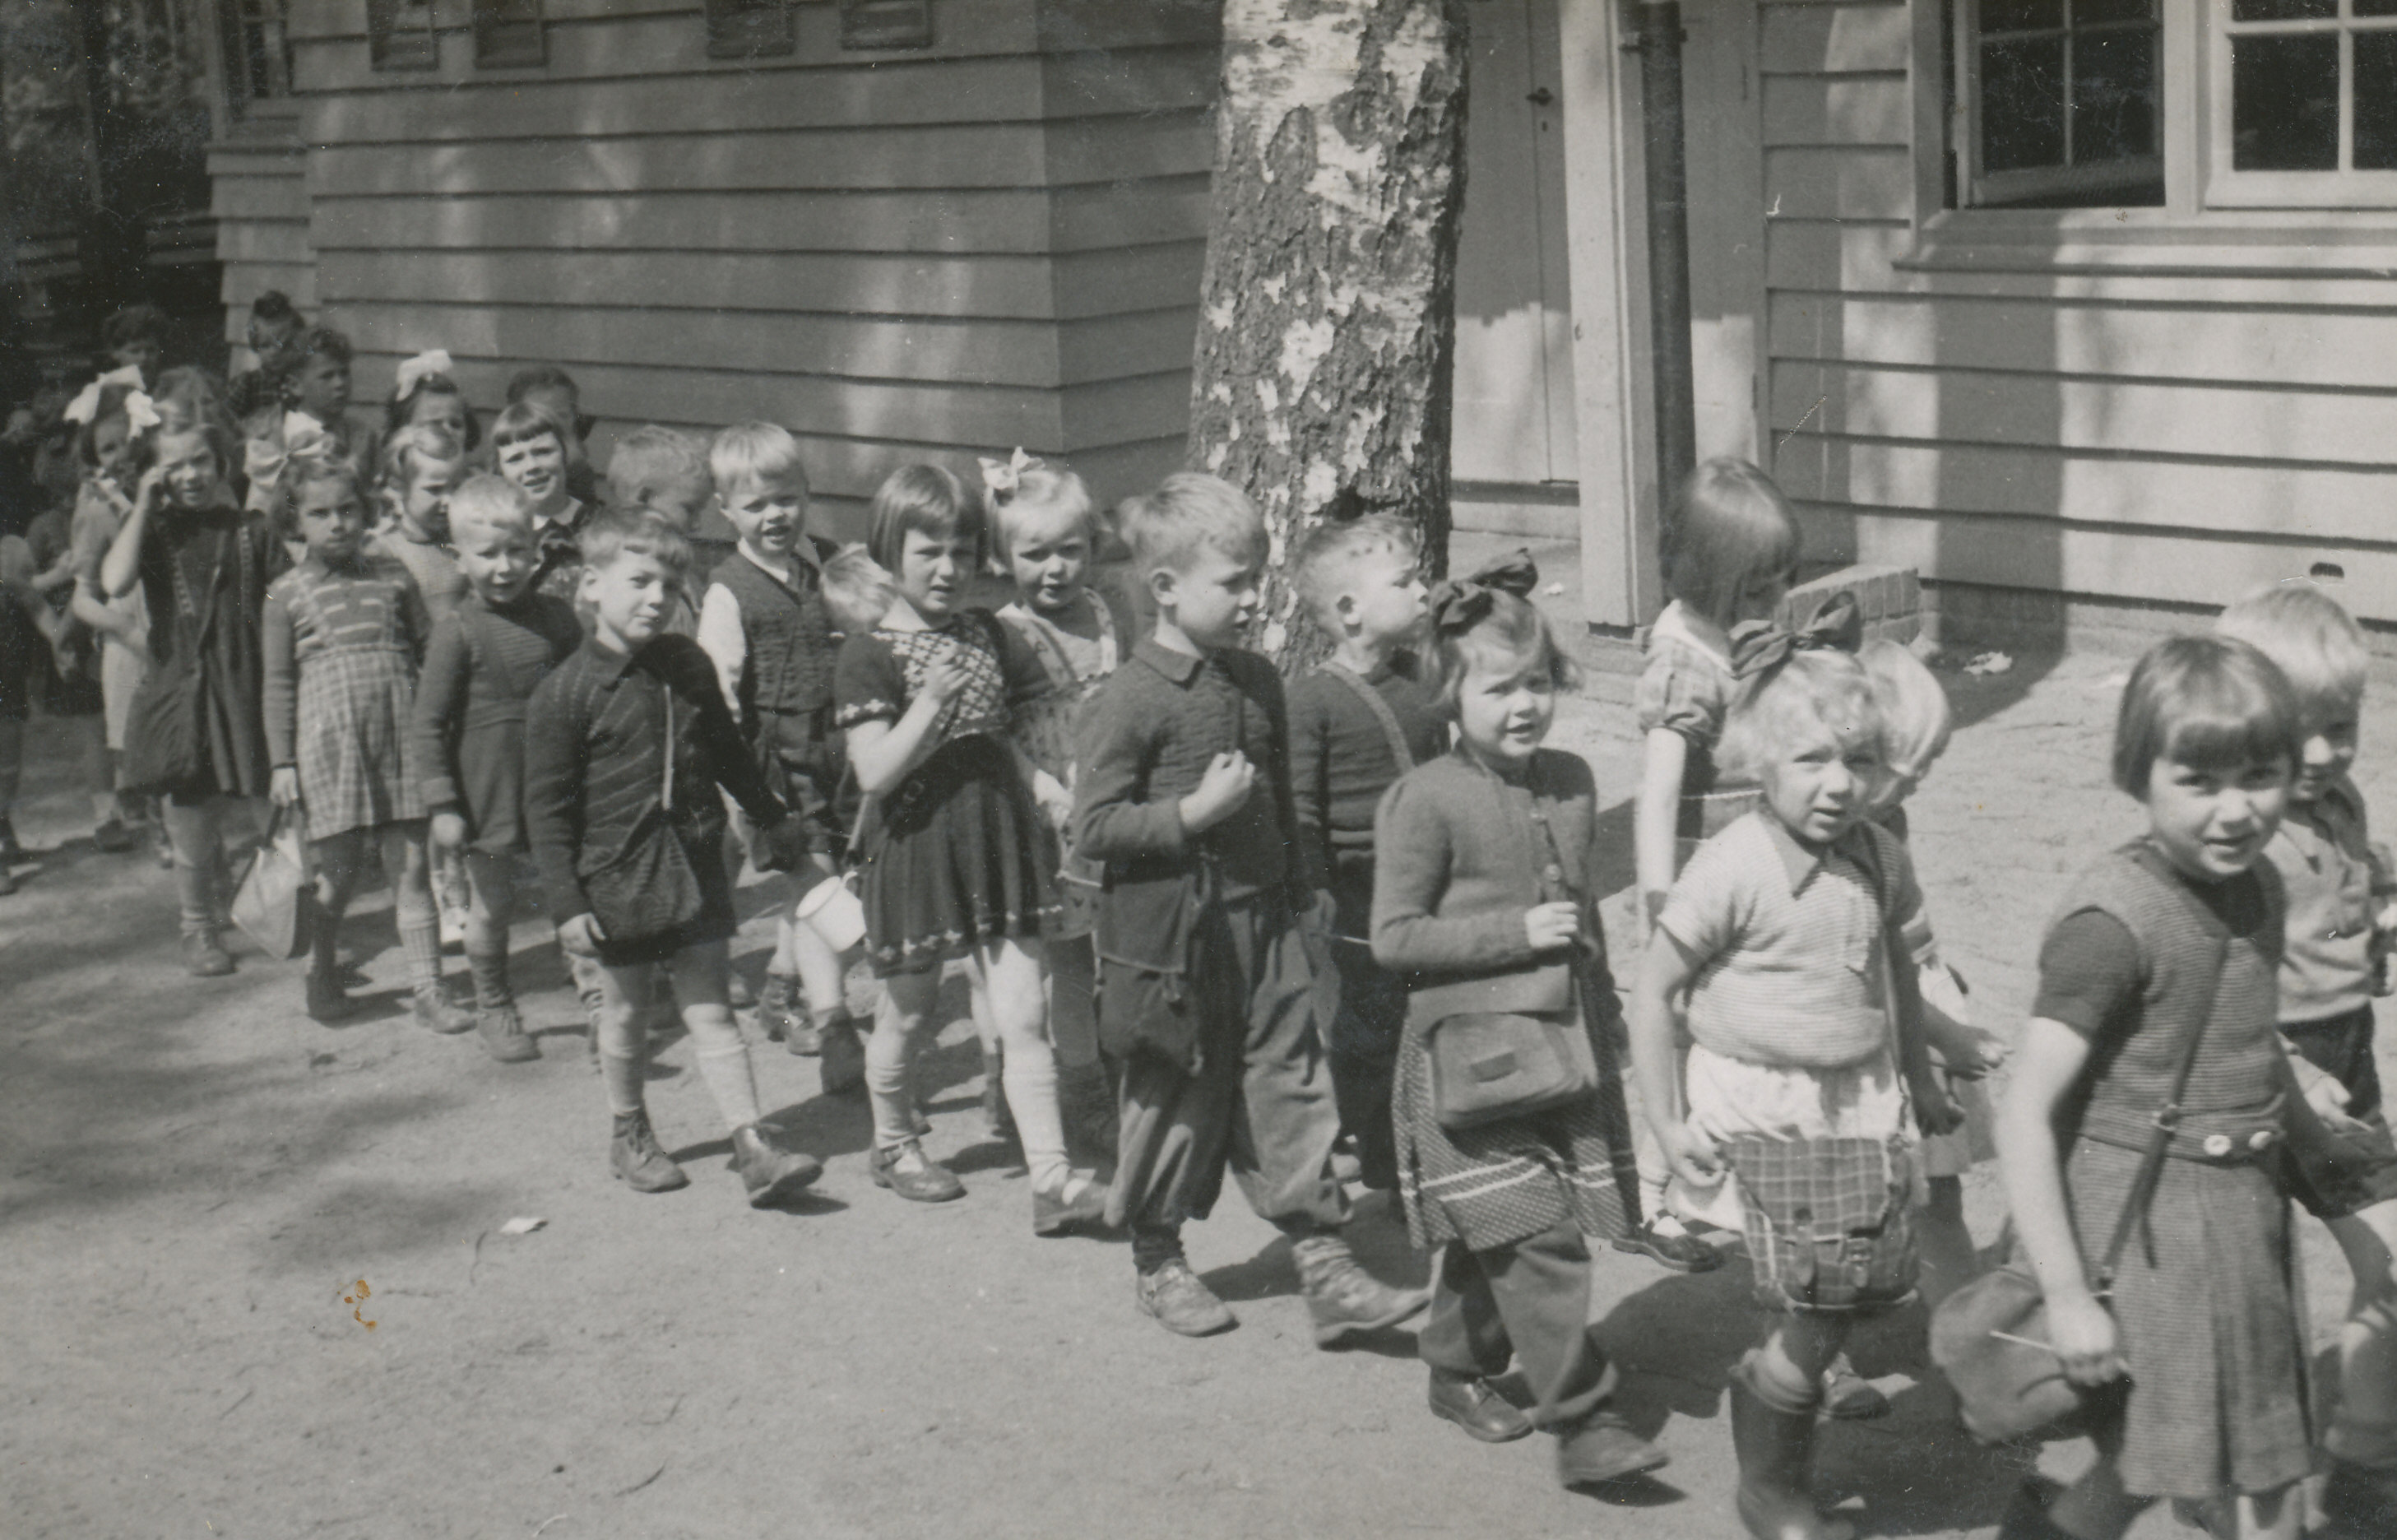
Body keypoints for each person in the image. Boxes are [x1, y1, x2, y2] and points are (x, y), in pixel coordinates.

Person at [1075, 471, 1426, 1340]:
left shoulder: (1258, 679)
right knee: (1174, 1096)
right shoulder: (1127, 699)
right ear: (1165, 589)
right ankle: (1157, 1261)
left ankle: (1324, 1265)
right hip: (1170, 942)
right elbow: (1094, 827)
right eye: (1231, 582)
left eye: (1254, 579)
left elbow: (1280, 798)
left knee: (1290, 1081)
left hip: (1263, 924)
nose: (1249, 598)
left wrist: (1300, 897)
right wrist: (1188, 816)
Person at [1629, 610, 1951, 1540]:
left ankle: (1770, 1413)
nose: (1837, 785)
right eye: (1811, 761)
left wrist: (1921, 1074)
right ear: (1759, 765)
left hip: (1857, 1096)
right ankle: (1770, 1485)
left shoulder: (1879, 857)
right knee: (1813, 1303)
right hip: (1760, 1101)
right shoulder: (1733, 867)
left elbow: (1892, 961)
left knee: (1834, 1294)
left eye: (1856, 761)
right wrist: (1667, 1117)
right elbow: (1653, 994)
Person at [1996, 635, 2313, 1540]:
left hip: (2243, 1223)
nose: (2235, 810)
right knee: (2164, 1458)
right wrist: (2062, 1293)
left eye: (2260, 776)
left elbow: (2240, 1038)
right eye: (2199, 782)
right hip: (2147, 1239)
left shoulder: (2261, 889)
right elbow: (2024, 1110)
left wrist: (2313, 1128)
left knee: (2211, 1458)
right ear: (2139, 775)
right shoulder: (2110, 926)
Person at [1370, 554, 1667, 1485]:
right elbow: (1393, 938)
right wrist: (1510, 933)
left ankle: (1455, 1364)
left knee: (1502, 1228)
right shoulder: (1423, 800)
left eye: (1537, 682)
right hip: (1464, 1061)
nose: (1523, 705)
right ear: (1449, 697)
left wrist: (1607, 1011)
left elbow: (1578, 922)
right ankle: (1583, 1424)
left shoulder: (1573, 781)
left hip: (1562, 1045)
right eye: (1499, 688)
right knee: (1537, 1239)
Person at [833, 463, 1106, 1234]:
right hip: (918, 845)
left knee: (1023, 1013)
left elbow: (997, 738)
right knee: (910, 1011)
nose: (949, 570)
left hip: (997, 839)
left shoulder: (987, 633)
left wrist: (1045, 789)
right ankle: (892, 1141)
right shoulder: (868, 653)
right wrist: (927, 703)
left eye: (961, 551)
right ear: (890, 552)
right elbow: (876, 771)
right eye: (929, 554)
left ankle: (1051, 1179)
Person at [523, 509, 824, 1207]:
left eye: (669, 583)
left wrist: (772, 815)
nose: (657, 597)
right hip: (616, 875)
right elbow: (547, 812)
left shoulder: (686, 665)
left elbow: (727, 751)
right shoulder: (564, 694)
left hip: (692, 861)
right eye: (639, 581)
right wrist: (567, 903)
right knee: (626, 1012)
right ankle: (629, 1132)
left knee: (711, 1005)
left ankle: (752, 1143)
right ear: (592, 584)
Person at [2214, 584, 2397, 1537]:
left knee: (2390, 1264)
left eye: (2344, 724)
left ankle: (2365, 1454)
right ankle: (2225, 1484)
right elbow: (2214, 981)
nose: (2325, 754)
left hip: (2345, 1072)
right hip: (2267, 1085)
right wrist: (2291, 1066)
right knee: (2252, 1310)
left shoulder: (2338, 804)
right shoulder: (2239, 844)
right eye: (2302, 734)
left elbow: (2365, 882)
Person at [1625, 457, 1804, 1277]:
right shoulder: (1684, 662)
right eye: (1760, 589)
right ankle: (1658, 1194)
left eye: (1781, 585)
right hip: (1700, 879)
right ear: (1713, 582)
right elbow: (1657, 795)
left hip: (1754, 863)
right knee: (1688, 1028)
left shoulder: (1735, 633)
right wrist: (1662, 903)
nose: (1775, 604)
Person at [262, 456, 469, 1032]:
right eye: (320, 513)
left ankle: (431, 989)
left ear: (366, 512)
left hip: (400, 737)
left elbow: (428, 654)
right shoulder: (284, 595)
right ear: (295, 520)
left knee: (411, 867)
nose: (337, 523)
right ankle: (321, 969)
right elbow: (278, 684)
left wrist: (441, 725)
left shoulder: (394, 576)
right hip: (331, 749)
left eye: (348, 510)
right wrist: (282, 761)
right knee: (341, 873)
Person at [694, 423, 866, 1088]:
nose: (774, 516)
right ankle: (836, 1030)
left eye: (786, 499)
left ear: (807, 493)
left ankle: (780, 994)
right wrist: (743, 795)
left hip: (843, 755)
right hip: (779, 770)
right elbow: (719, 703)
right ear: (726, 510)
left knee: (832, 891)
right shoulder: (729, 591)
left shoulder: (827, 563)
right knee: (824, 898)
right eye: (756, 505)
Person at [988, 449, 1139, 1167]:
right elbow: (992, 732)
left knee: (1113, 952)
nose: (1056, 568)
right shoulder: (1006, 632)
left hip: (1110, 803)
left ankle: (1101, 1071)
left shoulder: (1111, 612)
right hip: (1047, 818)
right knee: (1063, 964)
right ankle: (1072, 1089)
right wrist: (1041, 786)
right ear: (1004, 556)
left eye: (1070, 550)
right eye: (1035, 554)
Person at [1287, 513, 1440, 1198]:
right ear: (1349, 609)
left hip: (1430, 878)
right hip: (1359, 892)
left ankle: (1423, 1138)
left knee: (1430, 1010)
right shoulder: (1314, 700)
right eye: (1405, 582)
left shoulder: (1420, 682)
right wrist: (1314, 894)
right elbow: (1299, 809)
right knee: (1371, 1023)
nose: (1425, 591)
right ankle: (1380, 1158)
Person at [101, 416, 288, 976]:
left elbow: (288, 594)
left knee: (273, 812)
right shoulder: (155, 530)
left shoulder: (251, 528)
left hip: (246, 686)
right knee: (192, 817)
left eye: (200, 461)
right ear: (156, 473)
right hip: (184, 691)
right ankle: (197, 926)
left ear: (220, 462)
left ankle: (277, 914)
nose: (190, 475)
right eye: (174, 465)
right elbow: (113, 583)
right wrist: (140, 504)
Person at [1856, 638, 2006, 1324]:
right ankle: (1970, 1348)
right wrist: (1951, 1035)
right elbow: (1874, 972)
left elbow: (1906, 932)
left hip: (1917, 1005)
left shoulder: (1888, 820)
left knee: (1936, 1197)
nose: (1917, 781)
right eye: (1906, 767)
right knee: (1916, 1202)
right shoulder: (1849, 848)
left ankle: (1958, 1334)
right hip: (1895, 1033)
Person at [411, 475, 585, 1064]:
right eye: (487, 554)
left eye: (518, 551)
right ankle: (493, 1001)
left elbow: (583, 695)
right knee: (494, 904)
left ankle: (598, 994)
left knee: (574, 890)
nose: (505, 567)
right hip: (488, 791)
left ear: (536, 547)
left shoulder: (559, 619)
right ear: (458, 555)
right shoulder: (456, 631)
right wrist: (442, 806)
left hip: (555, 784)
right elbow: (429, 723)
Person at [64, 383, 157, 857]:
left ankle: (175, 829)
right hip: (126, 631)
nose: (121, 455)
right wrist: (121, 628)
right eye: (108, 447)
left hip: (167, 623)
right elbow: (83, 596)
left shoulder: (162, 490)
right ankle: (151, 818)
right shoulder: (98, 507)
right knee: (135, 736)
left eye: (128, 441)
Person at [246, 326, 369, 518]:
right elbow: (260, 506)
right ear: (295, 386)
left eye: (344, 373)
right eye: (327, 376)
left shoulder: (361, 435)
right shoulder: (277, 438)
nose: (339, 383)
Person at [373, 424, 471, 629]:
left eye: (456, 487)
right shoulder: (386, 549)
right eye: (434, 490)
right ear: (399, 487)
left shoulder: (466, 542)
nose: (449, 500)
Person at [494, 400, 591, 602]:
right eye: (515, 459)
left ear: (564, 454)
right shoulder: (499, 532)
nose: (531, 467)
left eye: (543, 452)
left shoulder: (595, 523)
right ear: (501, 471)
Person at [504, 366, 600, 508]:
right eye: (540, 417)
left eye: (562, 416)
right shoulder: (507, 460)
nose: (553, 425)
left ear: (574, 417)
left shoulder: (577, 461)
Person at [385, 350, 481, 455]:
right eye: (434, 424)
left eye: (456, 425)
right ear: (402, 431)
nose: (448, 430)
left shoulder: (475, 472)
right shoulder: (391, 471)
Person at [101, 304, 169, 391]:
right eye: (134, 351)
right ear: (115, 353)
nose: (144, 358)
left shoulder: (169, 391)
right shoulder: (103, 392)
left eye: (151, 350)